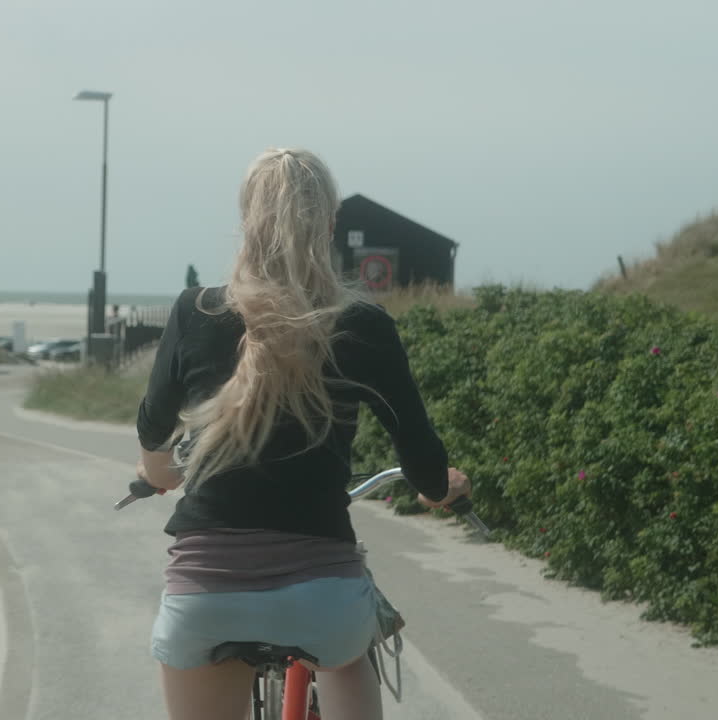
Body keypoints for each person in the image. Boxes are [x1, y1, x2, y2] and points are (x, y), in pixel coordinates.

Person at [135, 148, 471, 720]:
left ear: (246, 219)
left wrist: (158, 475)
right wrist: (441, 489)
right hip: (324, 603)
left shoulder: (195, 312)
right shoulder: (365, 325)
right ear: (330, 223)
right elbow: (421, 458)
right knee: (345, 649)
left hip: (205, 599)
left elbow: (156, 445)